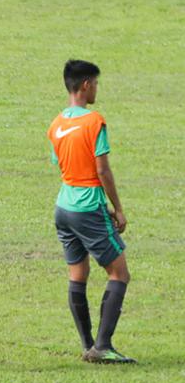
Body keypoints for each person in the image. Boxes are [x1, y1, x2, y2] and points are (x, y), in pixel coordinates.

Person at [48, 60, 134, 363]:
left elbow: (65, 167)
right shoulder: (94, 121)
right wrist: (117, 209)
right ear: (85, 84)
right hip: (87, 208)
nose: (97, 88)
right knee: (119, 273)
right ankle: (103, 346)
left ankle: (88, 346)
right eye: (96, 83)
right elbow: (101, 170)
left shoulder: (56, 124)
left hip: (64, 206)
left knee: (78, 274)